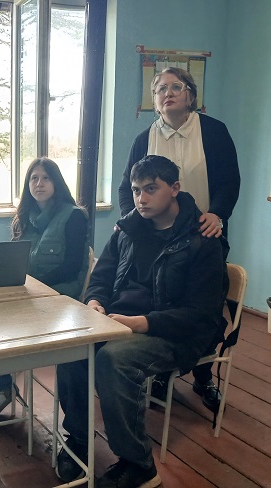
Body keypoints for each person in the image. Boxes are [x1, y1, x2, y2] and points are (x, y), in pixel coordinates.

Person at [55, 155, 225, 487]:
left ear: (174, 188)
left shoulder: (202, 239)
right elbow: (101, 278)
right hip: (121, 321)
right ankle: (79, 439)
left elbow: (200, 314)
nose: (141, 199)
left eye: (151, 189)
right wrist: (95, 302)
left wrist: (140, 323)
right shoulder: (127, 229)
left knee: (114, 359)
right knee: (72, 350)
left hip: (176, 333)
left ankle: (138, 465)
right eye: (136, 190)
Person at [118, 67, 240, 413]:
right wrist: (130, 223)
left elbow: (229, 180)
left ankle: (203, 375)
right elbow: (127, 189)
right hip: (157, 235)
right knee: (160, 301)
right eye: (160, 89)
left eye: (176, 87)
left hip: (204, 233)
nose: (168, 93)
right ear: (154, 100)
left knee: (204, 306)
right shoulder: (143, 138)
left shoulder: (213, 131)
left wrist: (218, 214)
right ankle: (161, 371)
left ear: (190, 95)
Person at [0, 156, 89, 421]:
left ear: (56, 182)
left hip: (59, 297)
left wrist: (31, 287)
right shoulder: (25, 216)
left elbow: (72, 267)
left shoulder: (74, 215)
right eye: (34, 178)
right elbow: (13, 261)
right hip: (27, 292)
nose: (39, 183)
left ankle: (0, 389)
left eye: (46, 178)